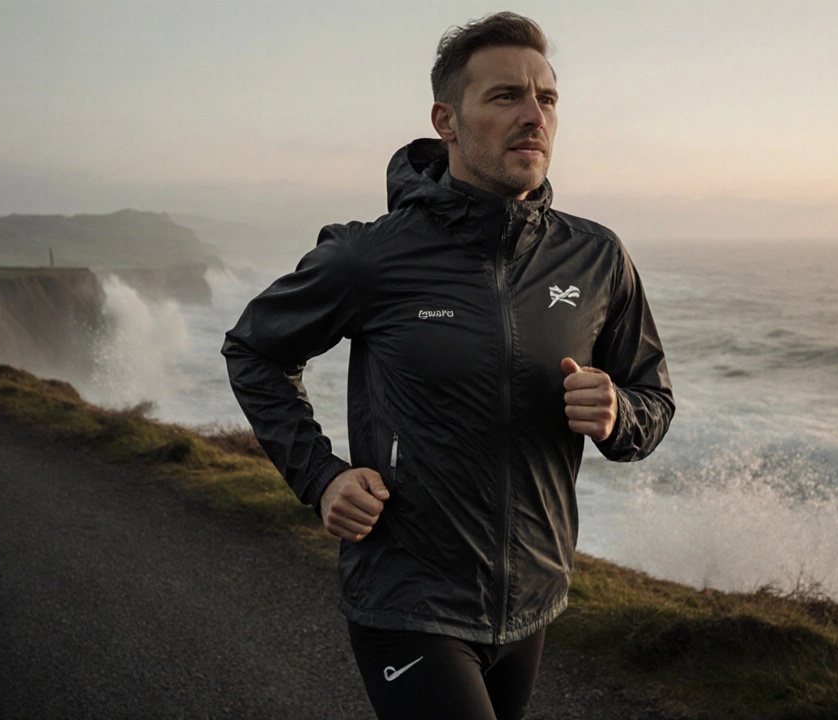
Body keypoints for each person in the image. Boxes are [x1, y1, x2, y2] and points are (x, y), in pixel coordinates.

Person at [222, 12, 673, 720]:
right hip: (408, 597)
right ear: (448, 120)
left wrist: (619, 414)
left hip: (531, 599)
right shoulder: (369, 256)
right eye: (505, 97)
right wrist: (322, 477)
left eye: (546, 99)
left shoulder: (597, 257)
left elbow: (654, 399)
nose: (533, 117)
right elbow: (253, 349)